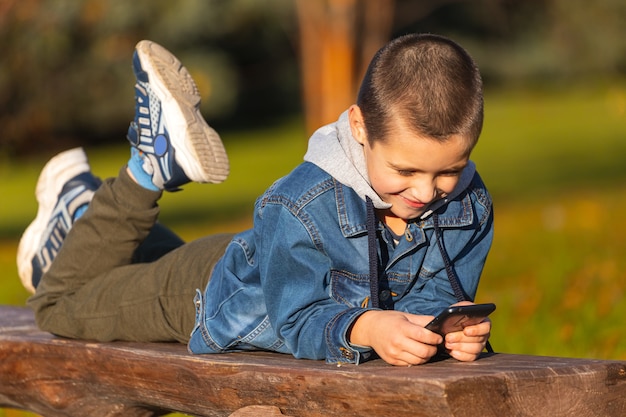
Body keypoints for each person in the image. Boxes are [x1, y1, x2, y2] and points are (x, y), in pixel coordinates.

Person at [17, 34, 493, 367]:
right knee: (58, 303)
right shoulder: (297, 204)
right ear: (359, 127)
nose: (427, 193)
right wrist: (366, 328)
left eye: (449, 170)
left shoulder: (468, 204)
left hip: (259, 262)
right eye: (406, 171)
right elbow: (297, 317)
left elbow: (438, 293)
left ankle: (83, 207)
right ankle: (148, 167)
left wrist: (444, 330)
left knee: (119, 274)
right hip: (207, 296)